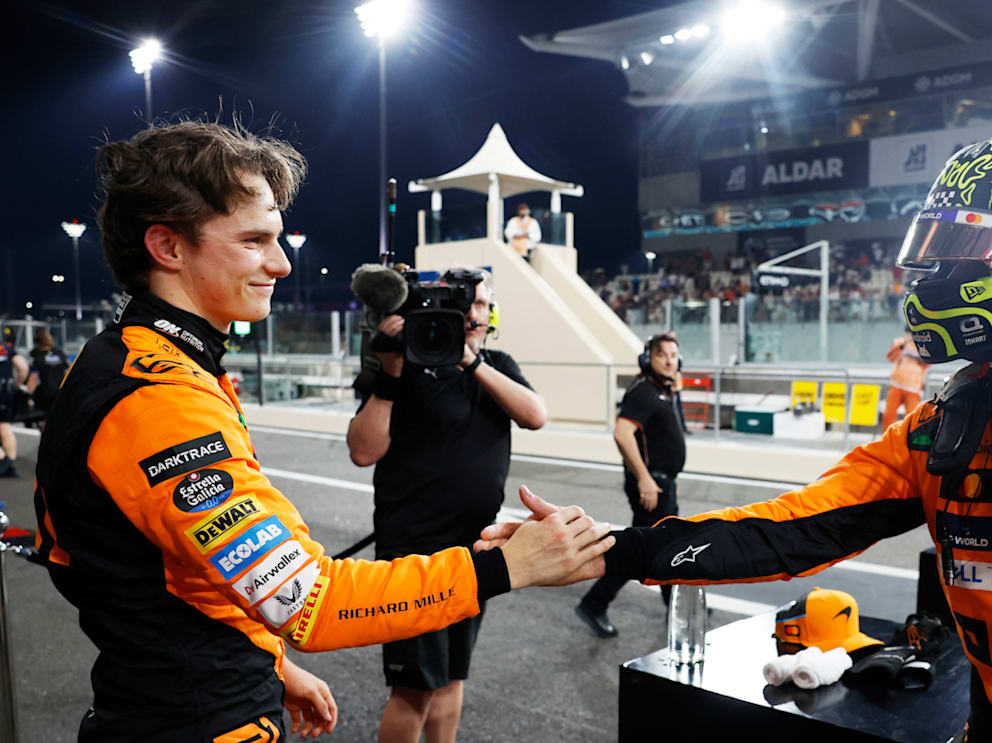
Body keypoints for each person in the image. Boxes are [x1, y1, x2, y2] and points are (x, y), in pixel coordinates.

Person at [484, 133, 992, 741]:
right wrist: (608, 549)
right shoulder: (950, 423)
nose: (933, 274)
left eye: (962, 248)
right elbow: (796, 526)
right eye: (933, 248)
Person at [33, 121, 612, 742]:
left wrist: (273, 665)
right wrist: (507, 568)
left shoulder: (128, 358)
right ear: (168, 248)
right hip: (195, 719)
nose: (281, 264)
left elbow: (181, 578)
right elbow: (312, 602)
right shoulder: (159, 400)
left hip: (177, 697)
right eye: (254, 241)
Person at [346, 270, 547, 743]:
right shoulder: (404, 365)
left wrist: (472, 363)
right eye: (466, 304)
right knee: (414, 689)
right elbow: (362, 450)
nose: (474, 314)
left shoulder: (496, 364)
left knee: (454, 677)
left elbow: (535, 415)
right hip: (413, 552)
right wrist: (389, 373)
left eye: (482, 305)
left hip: (474, 547)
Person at [575, 333, 686, 638]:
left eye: (674, 355)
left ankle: (674, 603)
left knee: (664, 545)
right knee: (645, 549)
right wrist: (645, 479)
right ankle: (594, 603)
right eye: (662, 354)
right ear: (647, 359)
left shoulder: (663, 391)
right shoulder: (643, 392)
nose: (669, 360)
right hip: (652, 486)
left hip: (663, 484)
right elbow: (623, 434)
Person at [882, 331, 929, 428]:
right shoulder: (900, 342)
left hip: (913, 387)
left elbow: (927, 363)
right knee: (888, 415)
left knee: (911, 417)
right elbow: (891, 357)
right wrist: (902, 346)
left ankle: (907, 440)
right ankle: (887, 439)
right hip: (896, 385)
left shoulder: (923, 346)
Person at [0, 338, 30, 477]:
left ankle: (4, 460)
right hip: (6, 392)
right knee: (4, 426)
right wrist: (16, 385)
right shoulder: (5, 347)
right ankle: (9, 466)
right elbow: (23, 367)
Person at [25, 329, 70, 420]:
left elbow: (34, 378)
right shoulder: (59, 353)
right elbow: (68, 371)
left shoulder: (36, 354)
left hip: (45, 394)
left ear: (37, 343)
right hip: (61, 392)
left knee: (45, 417)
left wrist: (28, 396)